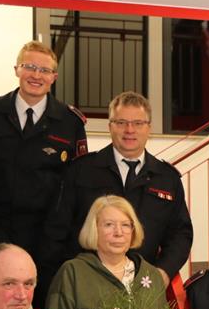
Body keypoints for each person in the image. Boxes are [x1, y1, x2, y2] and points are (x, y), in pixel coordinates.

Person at [41, 91, 193, 289]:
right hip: (86, 284)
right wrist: (60, 280)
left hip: (142, 286)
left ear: (149, 128)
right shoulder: (81, 170)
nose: (129, 130)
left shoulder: (167, 178)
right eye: (121, 122)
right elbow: (56, 229)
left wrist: (162, 273)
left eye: (138, 123)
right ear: (110, 126)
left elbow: (180, 234)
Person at [0, 40, 87, 259]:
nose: (36, 76)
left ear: (54, 77)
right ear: (17, 69)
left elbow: (76, 182)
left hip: (48, 236)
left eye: (45, 70)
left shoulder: (70, 122)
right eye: (30, 67)